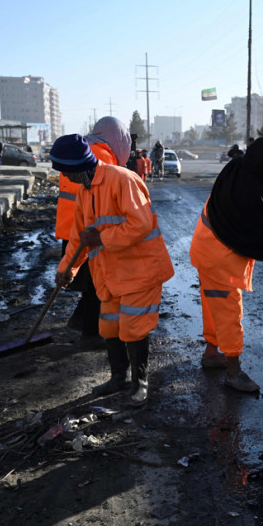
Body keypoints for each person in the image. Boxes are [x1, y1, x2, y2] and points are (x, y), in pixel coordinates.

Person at [53, 134, 174, 407]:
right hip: (110, 275)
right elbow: (79, 237)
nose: (65, 178)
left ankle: (140, 384)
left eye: (66, 171)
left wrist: (102, 239)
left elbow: (140, 223)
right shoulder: (85, 192)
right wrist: (67, 270)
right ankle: (118, 377)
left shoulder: (123, 179)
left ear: (79, 166)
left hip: (140, 271)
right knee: (108, 327)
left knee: (133, 328)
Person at [189, 136, 263, 393]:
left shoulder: (241, 167)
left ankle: (212, 353)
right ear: (262, 163)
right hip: (218, 255)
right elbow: (255, 234)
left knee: (214, 306)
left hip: (206, 245)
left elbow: (260, 209)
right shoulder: (248, 194)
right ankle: (233, 372)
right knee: (228, 312)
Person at [55, 116, 132, 338]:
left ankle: (82, 324)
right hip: (91, 230)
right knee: (98, 286)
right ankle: (92, 333)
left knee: (90, 285)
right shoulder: (103, 157)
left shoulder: (83, 148)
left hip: (72, 226)